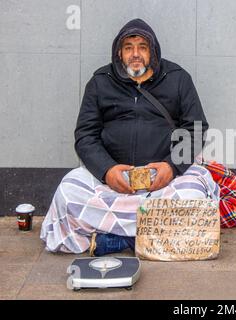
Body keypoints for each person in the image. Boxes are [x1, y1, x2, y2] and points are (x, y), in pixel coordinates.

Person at [40, 18, 221, 256]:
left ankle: (118, 241)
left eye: (142, 47)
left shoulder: (178, 79)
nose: (135, 54)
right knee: (68, 193)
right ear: (119, 53)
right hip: (113, 182)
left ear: (153, 52)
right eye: (128, 47)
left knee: (194, 196)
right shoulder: (100, 82)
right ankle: (146, 238)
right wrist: (107, 170)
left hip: (164, 180)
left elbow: (195, 128)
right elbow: (85, 135)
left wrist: (172, 166)